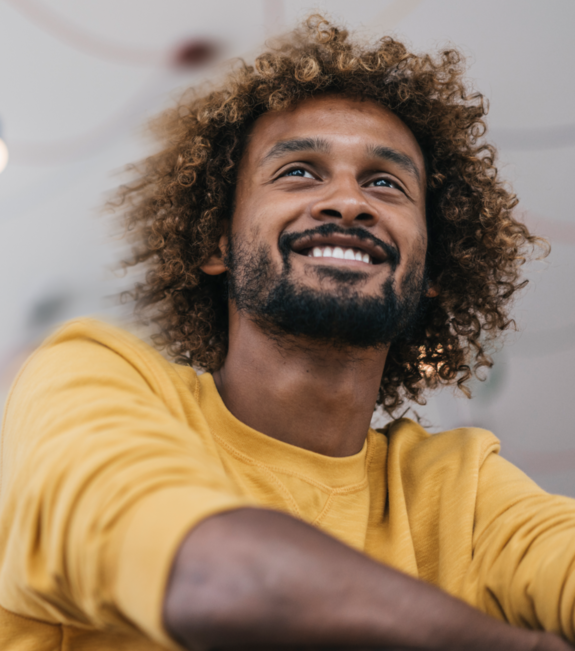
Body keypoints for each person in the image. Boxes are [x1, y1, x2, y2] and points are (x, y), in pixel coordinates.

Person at [0, 15, 573, 651]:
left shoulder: (459, 490)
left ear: (432, 267)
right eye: (299, 170)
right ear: (217, 242)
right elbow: (215, 579)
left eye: (385, 182)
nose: (348, 202)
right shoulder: (94, 375)